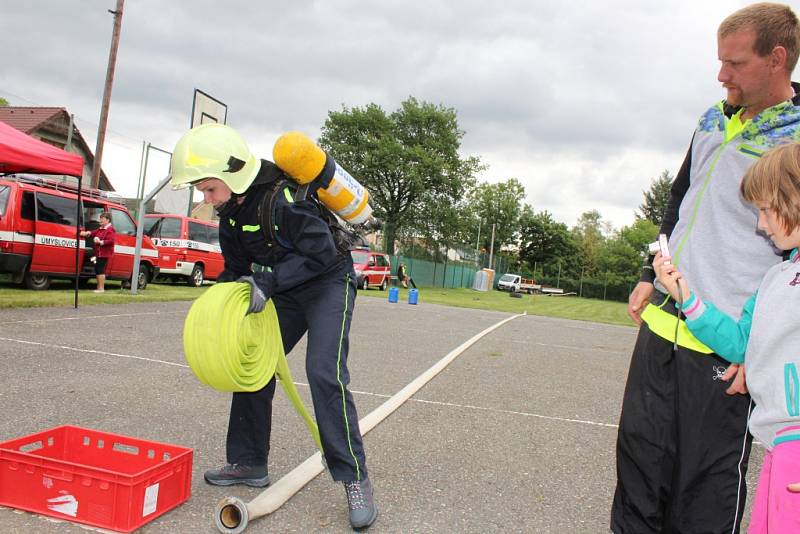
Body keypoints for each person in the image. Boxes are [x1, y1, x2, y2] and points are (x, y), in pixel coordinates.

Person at [611, 4, 800, 533]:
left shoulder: (797, 134)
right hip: (663, 328)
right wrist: (650, 273)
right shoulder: (712, 117)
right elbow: (679, 198)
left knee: (703, 499)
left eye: (734, 63)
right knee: (638, 476)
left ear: (777, 59)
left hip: (724, 344)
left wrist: (770, 346)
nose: (721, 75)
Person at [169, 123, 378, 530]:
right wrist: (219, 308)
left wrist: (268, 281)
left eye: (208, 188)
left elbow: (320, 254)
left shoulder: (282, 200)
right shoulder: (230, 215)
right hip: (281, 290)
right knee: (253, 362)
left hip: (327, 284)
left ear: (231, 175)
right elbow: (234, 270)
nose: (204, 198)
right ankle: (248, 461)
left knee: (324, 373)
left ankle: (353, 476)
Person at [654, 142, 800, 534]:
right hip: (777, 449)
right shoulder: (774, 278)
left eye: (767, 211)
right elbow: (740, 344)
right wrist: (685, 296)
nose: (761, 225)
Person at [80, 212, 115, 293]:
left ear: (107, 220)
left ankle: (101, 289)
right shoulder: (101, 228)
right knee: (97, 268)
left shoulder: (110, 229)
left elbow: (111, 241)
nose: (100, 221)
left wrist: (100, 242)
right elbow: (93, 233)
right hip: (99, 253)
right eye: (100, 219)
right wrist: (86, 233)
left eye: (102, 219)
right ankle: (99, 288)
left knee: (100, 269)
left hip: (104, 253)